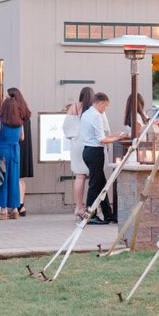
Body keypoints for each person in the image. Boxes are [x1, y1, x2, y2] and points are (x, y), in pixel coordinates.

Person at [81, 92, 127, 224]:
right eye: (105, 106)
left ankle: (108, 213)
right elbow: (101, 139)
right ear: (100, 103)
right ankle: (90, 214)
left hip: (87, 150)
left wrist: (112, 136)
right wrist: (116, 138)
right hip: (95, 152)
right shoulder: (96, 116)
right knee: (95, 184)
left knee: (101, 183)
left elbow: (96, 135)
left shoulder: (86, 114)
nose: (105, 109)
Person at [0, 93, 24, 219]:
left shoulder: (1, 121)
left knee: (2, 179)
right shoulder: (19, 122)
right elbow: (22, 137)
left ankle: (3, 210)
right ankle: (15, 209)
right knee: (14, 179)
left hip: (3, 151)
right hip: (15, 151)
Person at [63, 87, 92, 221]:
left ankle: (79, 207)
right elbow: (104, 128)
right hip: (91, 144)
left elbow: (66, 128)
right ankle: (92, 207)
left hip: (76, 144)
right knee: (94, 177)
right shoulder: (94, 108)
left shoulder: (74, 107)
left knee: (79, 176)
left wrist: (74, 137)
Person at [11, 87, 34, 216]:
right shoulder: (26, 113)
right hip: (25, 147)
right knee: (21, 178)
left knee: (15, 177)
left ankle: (17, 205)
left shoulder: (15, 114)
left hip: (17, 145)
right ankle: (21, 205)